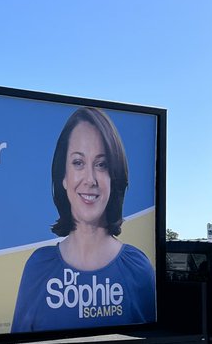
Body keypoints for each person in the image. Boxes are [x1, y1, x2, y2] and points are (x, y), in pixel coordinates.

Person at [11, 107, 156, 332]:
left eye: (101, 164)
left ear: (113, 177)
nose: (90, 179)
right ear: (63, 177)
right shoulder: (38, 267)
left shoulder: (138, 268)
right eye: (78, 163)